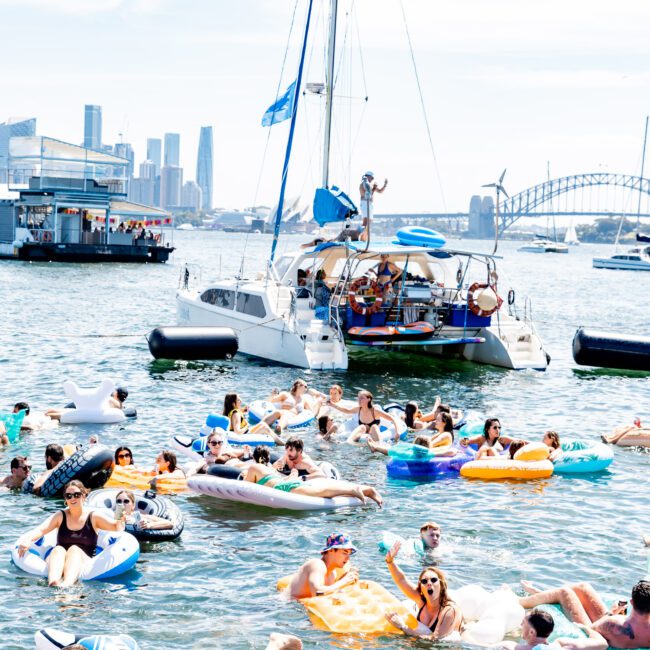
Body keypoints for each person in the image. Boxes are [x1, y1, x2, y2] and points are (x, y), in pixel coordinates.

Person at [16, 480, 126, 587]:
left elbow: (115, 527)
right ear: (65, 499)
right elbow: (41, 529)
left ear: (84, 496)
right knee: (58, 549)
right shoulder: (60, 516)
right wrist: (28, 540)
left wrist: (121, 513)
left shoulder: (93, 517)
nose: (73, 498)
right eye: (69, 496)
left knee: (74, 549)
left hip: (83, 559)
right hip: (59, 558)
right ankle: (53, 583)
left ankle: (66, 585)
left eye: (77, 495)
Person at [518, 579, 650, 649]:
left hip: (593, 632)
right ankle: (541, 593)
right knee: (583, 588)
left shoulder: (612, 623)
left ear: (632, 602)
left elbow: (591, 629)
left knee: (565, 593)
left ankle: (522, 601)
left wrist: (611, 613)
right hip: (616, 632)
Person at [383, 540, 462, 639]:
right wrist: (390, 561)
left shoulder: (449, 611)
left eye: (433, 580)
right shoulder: (421, 600)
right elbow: (401, 580)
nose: (429, 583)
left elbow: (435, 639)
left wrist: (402, 626)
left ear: (441, 585)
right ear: (420, 589)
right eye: (424, 581)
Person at [243, 463, 383, 507]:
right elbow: (289, 476)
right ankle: (367, 490)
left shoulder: (251, 470)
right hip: (288, 484)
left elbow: (244, 491)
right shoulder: (264, 470)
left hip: (283, 488)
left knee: (321, 493)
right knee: (319, 492)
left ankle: (353, 489)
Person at [285, 533, 360, 599]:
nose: (348, 558)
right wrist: (344, 581)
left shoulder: (333, 573)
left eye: (349, 554)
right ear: (331, 550)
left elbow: (328, 591)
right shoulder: (317, 564)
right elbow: (318, 593)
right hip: (287, 605)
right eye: (344, 553)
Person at [327, 390, 400, 443]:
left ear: (369, 399)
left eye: (362, 398)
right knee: (362, 426)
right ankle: (349, 442)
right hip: (363, 431)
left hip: (373, 432)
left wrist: (397, 432)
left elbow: (393, 419)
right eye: (358, 398)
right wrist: (332, 404)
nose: (359, 400)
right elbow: (346, 410)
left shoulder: (375, 411)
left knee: (374, 426)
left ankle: (379, 445)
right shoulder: (359, 409)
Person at [359, 171, 388, 239]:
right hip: (365, 203)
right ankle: (360, 237)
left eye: (373, 178)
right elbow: (369, 194)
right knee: (366, 222)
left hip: (369, 204)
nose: (372, 179)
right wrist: (374, 188)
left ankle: (364, 238)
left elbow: (380, 191)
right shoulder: (364, 183)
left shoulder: (370, 184)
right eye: (371, 178)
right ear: (367, 176)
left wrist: (385, 185)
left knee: (369, 222)